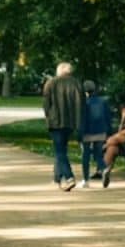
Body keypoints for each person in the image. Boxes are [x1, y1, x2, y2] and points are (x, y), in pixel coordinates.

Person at [42, 62, 83, 191]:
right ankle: (56, 178)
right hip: (71, 121)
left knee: (60, 151)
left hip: (56, 122)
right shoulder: (77, 84)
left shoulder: (51, 83)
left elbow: (46, 104)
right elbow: (82, 104)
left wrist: (48, 116)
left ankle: (69, 177)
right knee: (61, 150)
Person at [78, 80, 111, 189]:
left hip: (87, 131)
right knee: (98, 154)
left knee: (85, 155)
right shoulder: (103, 101)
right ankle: (104, 168)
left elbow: (82, 119)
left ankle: (85, 180)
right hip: (101, 130)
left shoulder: (84, 103)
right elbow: (108, 117)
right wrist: (109, 131)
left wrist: (79, 133)